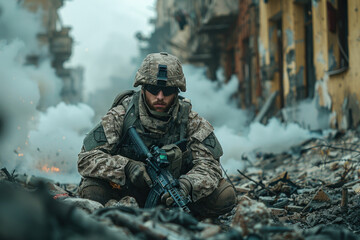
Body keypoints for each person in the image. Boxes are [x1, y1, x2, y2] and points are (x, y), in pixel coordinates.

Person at [77, 52, 236, 217]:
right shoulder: (121, 116)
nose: (160, 97)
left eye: (167, 91)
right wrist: (126, 167)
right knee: (92, 190)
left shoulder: (190, 121)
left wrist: (187, 185)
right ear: (143, 88)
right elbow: (86, 158)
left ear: (176, 92)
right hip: (127, 192)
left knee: (225, 195)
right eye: (153, 89)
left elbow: (210, 166)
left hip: (173, 195)